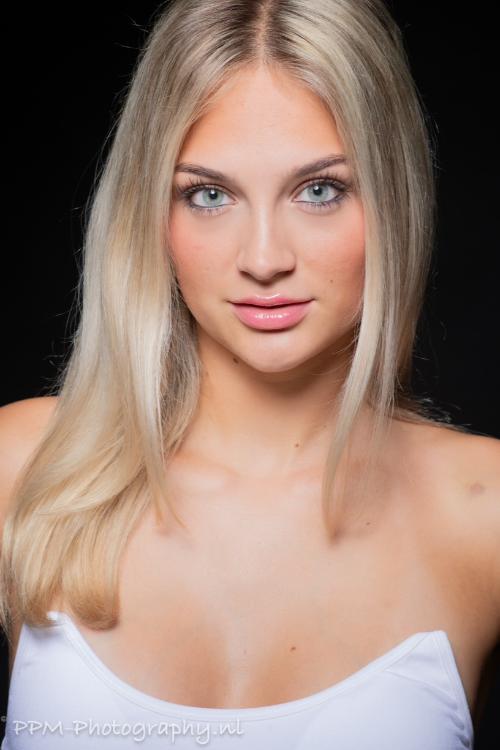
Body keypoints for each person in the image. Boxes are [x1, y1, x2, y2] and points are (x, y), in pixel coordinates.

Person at [0, 0, 499, 747]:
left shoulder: (483, 515)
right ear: (151, 212)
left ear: (393, 196)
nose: (264, 259)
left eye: (319, 190)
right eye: (209, 194)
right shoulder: (22, 470)